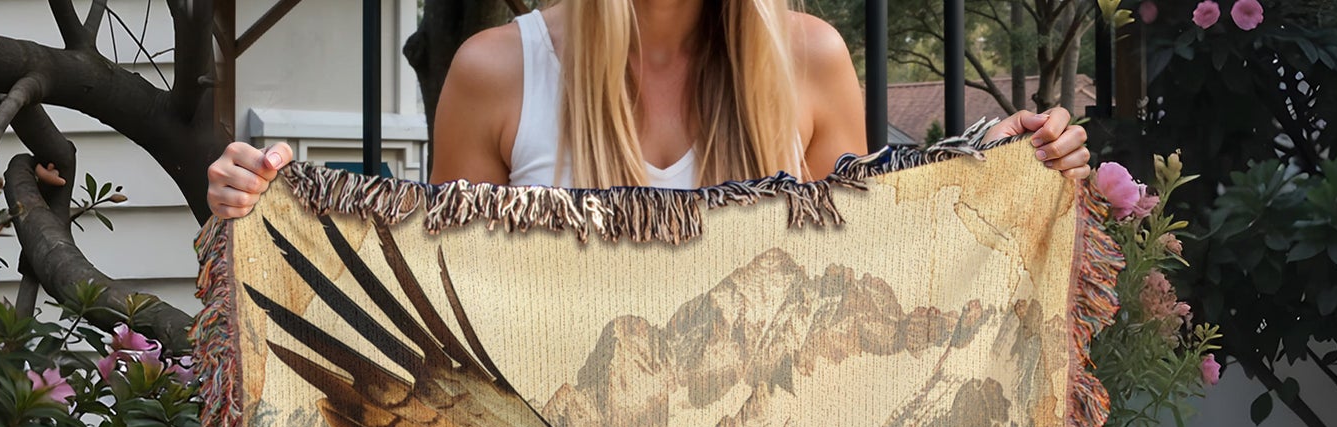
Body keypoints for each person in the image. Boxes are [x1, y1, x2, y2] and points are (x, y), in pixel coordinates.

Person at [207, 0, 1089, 218]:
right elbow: (448, 315)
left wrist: (1007, 169)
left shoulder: (811, 58)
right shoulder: (495, 71)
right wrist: (271, 204)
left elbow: (868, 285)